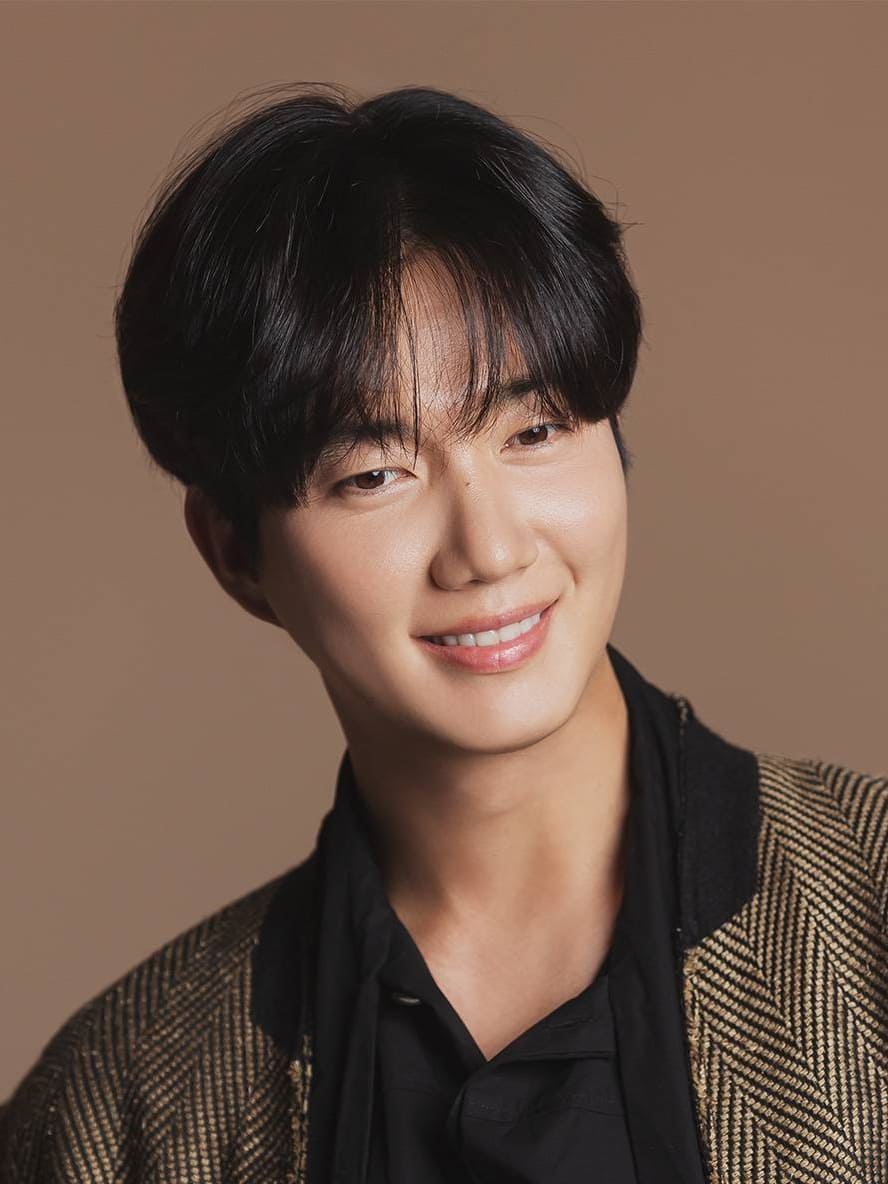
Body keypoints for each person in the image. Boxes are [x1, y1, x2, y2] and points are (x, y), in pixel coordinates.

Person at [1, 82, 886, 1184]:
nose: (489, 549)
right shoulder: (115, 1105)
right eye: (374, 473)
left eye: (536, 429)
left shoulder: (865, 910)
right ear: (234, 550)